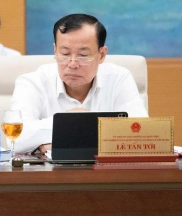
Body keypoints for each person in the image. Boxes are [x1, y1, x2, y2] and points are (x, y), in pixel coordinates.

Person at [11, 14, 148, 154]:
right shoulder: (32, 83)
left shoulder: (119, 79)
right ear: (55, 51)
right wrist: (68, 120)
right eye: (65, 54)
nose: (73, 64)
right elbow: (14, 140)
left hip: (106, 168)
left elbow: (140, 133)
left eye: (83, 55)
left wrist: (71, 129)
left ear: (101, 55)